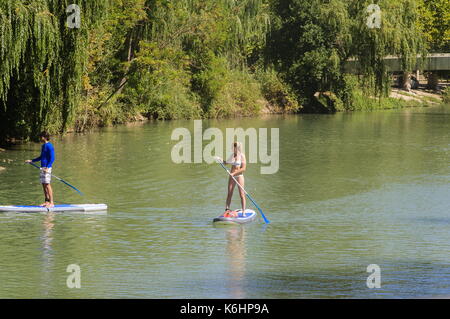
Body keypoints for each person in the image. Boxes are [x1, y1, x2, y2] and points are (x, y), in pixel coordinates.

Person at [25, 131, 56, 208]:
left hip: (47, 168)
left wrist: (48, 167)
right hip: (42, 168)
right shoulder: (43, 146)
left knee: (47, 185)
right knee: (43, 185)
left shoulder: (49, 146)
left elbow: (52, 158)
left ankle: (51, 203)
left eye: (41, 137)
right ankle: (46, 201)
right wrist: (31, 160)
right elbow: (41, 157)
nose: (40, 138)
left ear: (44, 137)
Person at [217, 142, 246, 218]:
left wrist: (234, 173)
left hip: (239, 176)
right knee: (229, 193)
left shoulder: (242, 156)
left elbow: (243, 168)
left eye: (233, 147)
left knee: (241, 195)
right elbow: (226, 163)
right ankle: (227, 209)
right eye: (232, 147)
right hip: (232, 177)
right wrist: (220, 160)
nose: (232, 148)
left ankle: (243, 212)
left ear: (237, 148)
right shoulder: (232, 155)